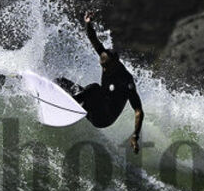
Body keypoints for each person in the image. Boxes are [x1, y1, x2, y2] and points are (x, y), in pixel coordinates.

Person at [55, 11, 144, 153]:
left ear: (116, 63)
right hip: (95, 106)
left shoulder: (126, 81)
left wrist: (135, 136)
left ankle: (66, 104)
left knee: (94, 88)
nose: (104, 69)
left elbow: (139, 111)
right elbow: (92, 38)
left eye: (107, 67)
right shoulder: (105, 57)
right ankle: (60, 98)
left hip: (103, 118)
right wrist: (88, 23)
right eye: (102, 66)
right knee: (61, 81)